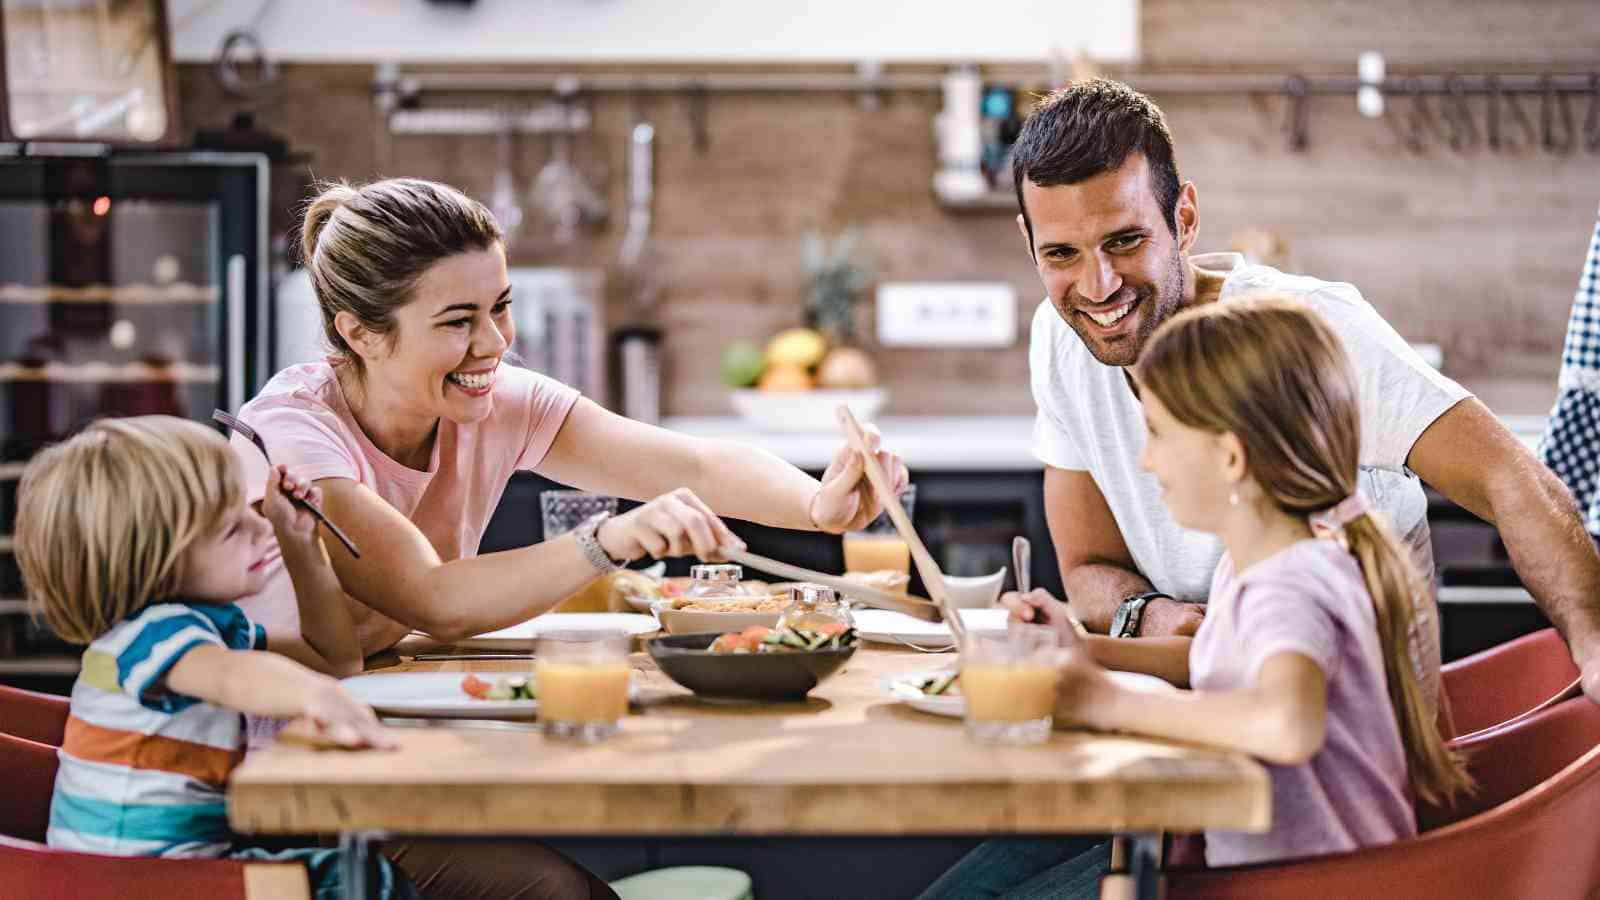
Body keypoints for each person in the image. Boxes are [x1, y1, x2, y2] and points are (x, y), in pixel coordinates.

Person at [231, 176, 906, 898]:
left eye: (501, 307)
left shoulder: (484, 399)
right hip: (287, 783)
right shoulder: (295, 433)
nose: (493, 344)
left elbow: (693, 463)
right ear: (359, 331)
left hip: (387, 746)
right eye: (459, 320)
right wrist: (604, 540)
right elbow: (432, 597)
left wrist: (818, 504)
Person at [1015, 78, 1600, 707]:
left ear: (1183, 219)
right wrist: (1145, 618)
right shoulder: (1059, 339)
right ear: (1031, 247)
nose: (1098, 285)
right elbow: (1088, 571)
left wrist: (1594, 648)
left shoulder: (1300, 338)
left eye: (1124, 240)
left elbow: (1510, 478)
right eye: (1061, 254)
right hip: (1213, 708)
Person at [924, 296, 1473, 898]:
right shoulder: (1260, 558)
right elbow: (1214, 662)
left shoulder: (1290, 583)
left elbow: (1286, 722)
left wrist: (1105, 701)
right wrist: (1078, 650)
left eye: (1158, 432)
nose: (1144, 458)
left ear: (1230, 457)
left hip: (1300, 885)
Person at [13, 416, 416, 899]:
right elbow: (231, 676)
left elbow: (333, 659)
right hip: (131, 885)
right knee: (367, 881)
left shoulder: (205, 625)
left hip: (170, 870)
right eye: (231, 528)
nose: (257, 521)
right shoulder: (153, 636)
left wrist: (301, 546)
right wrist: (316, 698)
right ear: (159, 558)